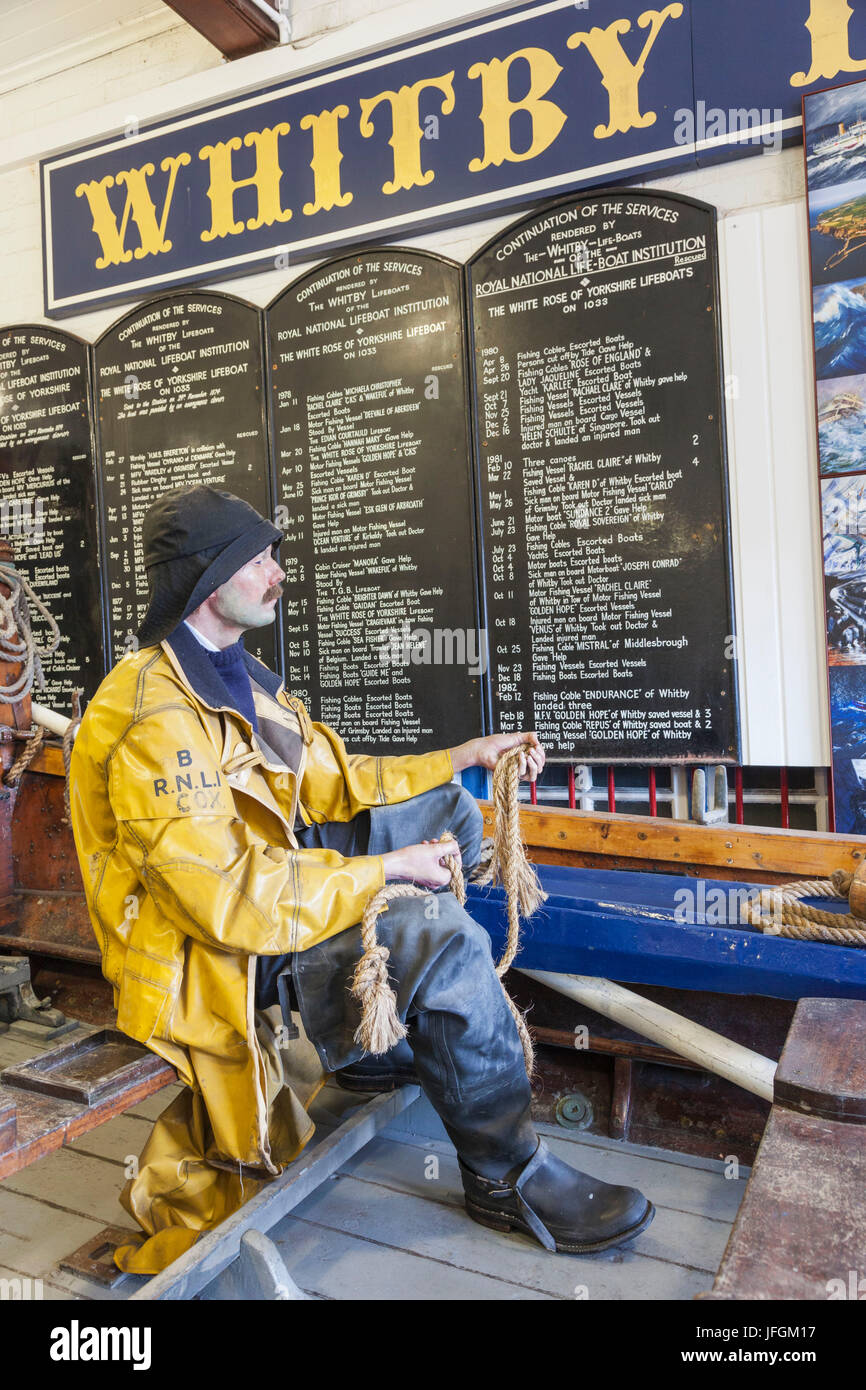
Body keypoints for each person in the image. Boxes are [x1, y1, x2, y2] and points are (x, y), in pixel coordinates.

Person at [69, 485, 653, 1274]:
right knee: (433, 931)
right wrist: (386, 874)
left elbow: (337, 779)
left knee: (449, 810)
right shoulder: (150, 717)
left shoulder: (235, 672)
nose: (278, 574)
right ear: (211, 578)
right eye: (261, 560)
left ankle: (371, 1045)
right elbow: (228, 900)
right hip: (213, 958)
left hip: (273, 888)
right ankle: (505, 1172)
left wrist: (468, 757)